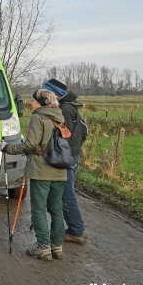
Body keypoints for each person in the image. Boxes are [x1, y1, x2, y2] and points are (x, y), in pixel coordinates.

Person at [2, 88, 67, 261]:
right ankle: (57, 246)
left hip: (41, 170)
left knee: (38, 209)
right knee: (56, 209)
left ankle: (43, 247)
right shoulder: (60, 118)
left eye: (35, 100)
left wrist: (7, 148)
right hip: (60, 170)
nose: (32, 103)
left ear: (42, 102)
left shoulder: (38, 118)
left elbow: (29, 145)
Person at [45, 78, 88, 245]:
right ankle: (75, 229)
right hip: (72, 155)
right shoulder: (71, 106)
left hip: (67, 157)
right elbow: (83, 131)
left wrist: (61, 154)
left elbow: (65, 136)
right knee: (66, 192)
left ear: (55, 94)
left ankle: (76, 231)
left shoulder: (63, 109)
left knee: (66, 194)